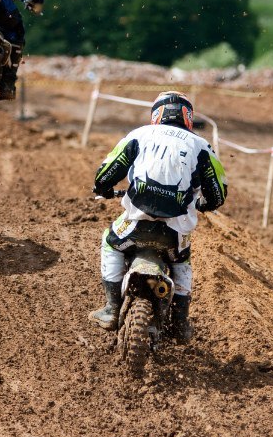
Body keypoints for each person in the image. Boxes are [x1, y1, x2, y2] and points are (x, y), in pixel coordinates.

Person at [89, 90, 227, 343]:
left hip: (135, 225)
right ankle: (181, 322)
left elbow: (107, 171)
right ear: (187, 116)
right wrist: (205, 205)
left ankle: (111, 308)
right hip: (174, 233)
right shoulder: (201, 146)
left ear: (156, 114)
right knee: (181, 262)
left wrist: (103, 189)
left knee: (110, 242)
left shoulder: (138, 135)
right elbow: (218, 193)